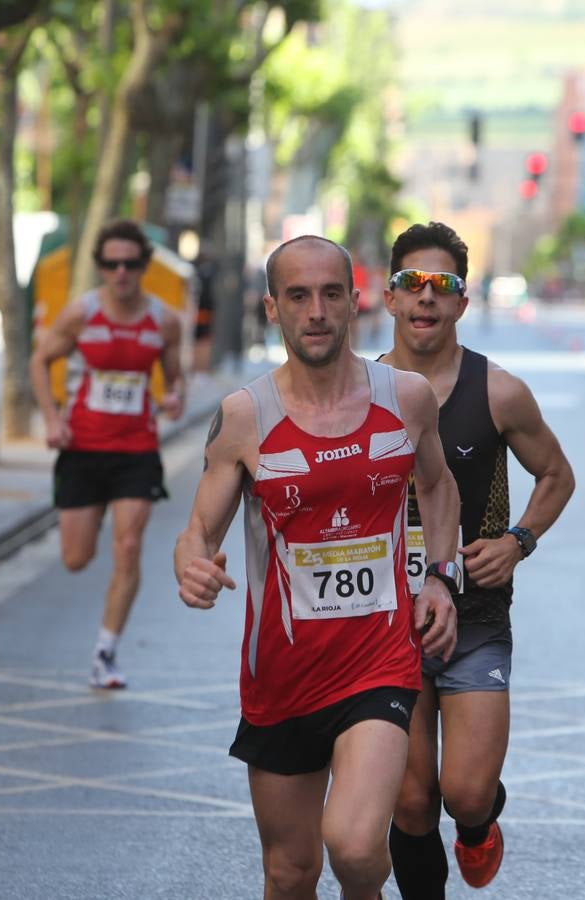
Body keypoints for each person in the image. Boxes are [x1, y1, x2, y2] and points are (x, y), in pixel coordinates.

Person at [175, 235, 462, 900]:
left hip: (378, 663)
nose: (317, 311)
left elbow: (440, 486)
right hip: (279, 677)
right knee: (289, 871)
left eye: (331, 293)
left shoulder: (408, 398)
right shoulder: (245, 417)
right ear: (271, 308)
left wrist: (443, 578)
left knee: (358, 849)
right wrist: (191, 566)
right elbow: (197, 532)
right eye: (298, 296)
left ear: (355, 303)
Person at [379, 222, 575, 897]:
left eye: (444, 286)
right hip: (387, 625)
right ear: (389, 298)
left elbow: (557, 475)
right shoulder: (358, 393)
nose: (426, 298)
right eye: (413, 284)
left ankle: (478, 819)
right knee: (408, 802)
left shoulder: (499, 392)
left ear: (463, 302)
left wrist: (518, 541)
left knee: (461, 793)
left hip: (475, 617)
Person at [29, 219, 185, 688]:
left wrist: (173, 396)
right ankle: (92, 514)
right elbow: (40, 360)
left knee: (129, 545)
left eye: (131, 263)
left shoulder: (164, 320)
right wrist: (53, 420)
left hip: (136, 451)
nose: (121, 273)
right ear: (100, 266)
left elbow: (175, 377)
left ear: (144, 266)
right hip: (81, 451)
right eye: (111, 264)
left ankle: (105, 652)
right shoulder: (80, 314)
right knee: (76, 558)